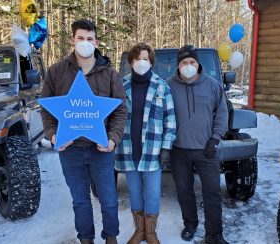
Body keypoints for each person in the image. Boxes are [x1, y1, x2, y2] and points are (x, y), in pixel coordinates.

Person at [40, 19, 127, 244]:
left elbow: (120, 111)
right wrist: (52, 135)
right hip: (70, 151)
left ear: (96, 41)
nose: (85, 43)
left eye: (90, 39)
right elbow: (46, 109)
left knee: (108, 199)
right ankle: (85, 239)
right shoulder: (56, 71)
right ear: (73, 40)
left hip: (102, 149)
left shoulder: (109, 73)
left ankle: (111, 237)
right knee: (80, 200)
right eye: (81, 38)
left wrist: (113, 139)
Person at [115, 43, 176, 244]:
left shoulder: (162, 86)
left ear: (151, 62)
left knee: (153, 193)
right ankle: (139, 231)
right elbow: (113, 117)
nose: (141, 63)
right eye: (137, 59)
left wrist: (166, 147)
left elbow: (170, 119)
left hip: (152, 150)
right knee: (134, 192)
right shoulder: (121, 86)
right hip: (127, 149)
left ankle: (151, 233)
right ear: (131, 61)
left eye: (145, 59)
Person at [167, 45, 229, 244]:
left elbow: (222, 113)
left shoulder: (212, 85)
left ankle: (214, 234)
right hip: (179, 150)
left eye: (192, 62)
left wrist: (215, 138)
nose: (188, 65)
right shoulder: (168, 86)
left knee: (212, 192)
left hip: (206, 149)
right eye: (184, 62)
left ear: (198, 63)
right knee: (184, 191)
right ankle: (190, 224)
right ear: (178, 65)